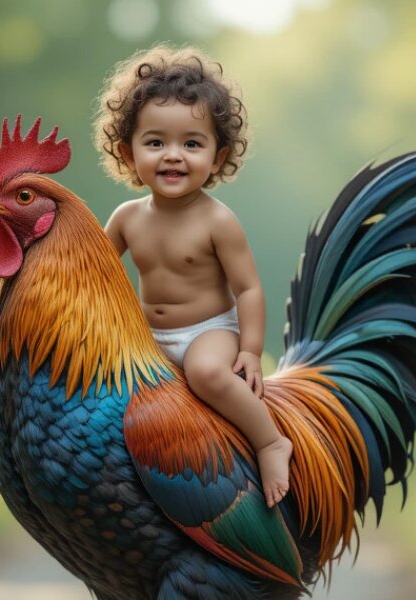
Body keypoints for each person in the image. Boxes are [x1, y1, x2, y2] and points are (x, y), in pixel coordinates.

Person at [95, 45, 292, 508]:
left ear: (218, 155)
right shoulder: (126, 218)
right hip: (149, 337)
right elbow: (97, 275)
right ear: (128, 152)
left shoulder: (217, 221)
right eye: (156, 142)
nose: (173, 156)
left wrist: (249, 349)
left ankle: (269, 442)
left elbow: (247, 287)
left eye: (192, 143)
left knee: (206, 374)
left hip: (209, 332)